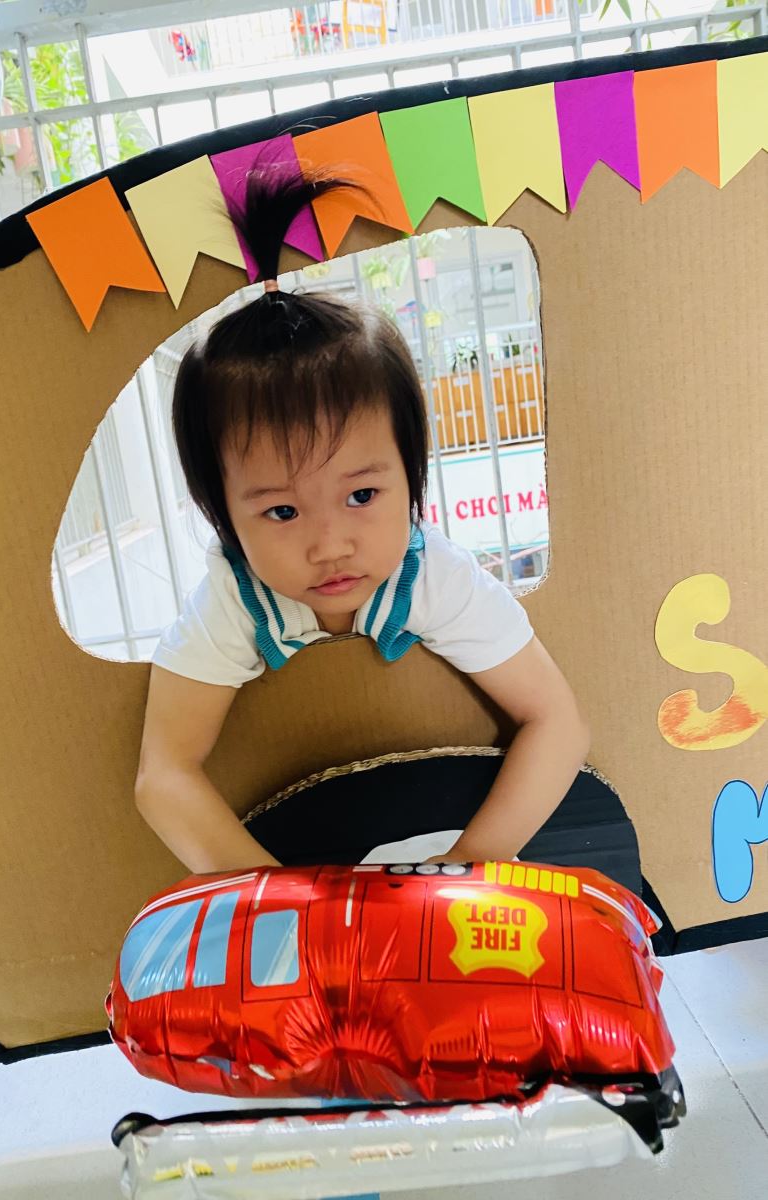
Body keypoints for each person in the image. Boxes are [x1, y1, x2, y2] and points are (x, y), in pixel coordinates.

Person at [135, 170, 590, 875]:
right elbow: (163, 776)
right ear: (219, 512)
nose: (330, 545)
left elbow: (558, 722)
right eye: (281, 510)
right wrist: (287, 904)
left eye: (362, 495)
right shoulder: (233, 599)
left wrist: (463, 868)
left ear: (412, 474)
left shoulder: (431, 574)